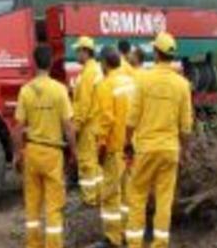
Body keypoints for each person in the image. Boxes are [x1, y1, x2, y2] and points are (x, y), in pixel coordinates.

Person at [124, 32, 193, 248]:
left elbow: (132, 119)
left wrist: (127, 143)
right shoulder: (182, 85)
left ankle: (134, 244)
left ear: (155, 53)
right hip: (170, 150)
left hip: (145, 149)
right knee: (164, 199)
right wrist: (185, 151)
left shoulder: (143, 79)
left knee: (137, 196)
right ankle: (160, 244)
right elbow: (186, 126)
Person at [14, 45, 77, 248]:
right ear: (50, 63)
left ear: (34, 63)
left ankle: (33, 244)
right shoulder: (59, 90)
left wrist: (17, 154)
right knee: (53, 206)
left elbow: (18, 128)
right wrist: (74, 153)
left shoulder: (25, 91)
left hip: (32, 152)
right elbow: (69, 127)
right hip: (53, 154)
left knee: (32, 206)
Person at [93, 46, 136, 248]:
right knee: (128, 192)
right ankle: (128, 233)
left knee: (110, 194)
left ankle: (113, 239)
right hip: (131, 146)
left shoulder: (105, 85)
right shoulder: (130, 80)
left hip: (115, 148)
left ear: (103, 63)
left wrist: (100, 147)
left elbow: (107, 119)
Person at [71, 35, 104, 206]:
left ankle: (89, 199)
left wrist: (75, 126)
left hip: (88, 125)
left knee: (86, 162)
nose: (76, 54)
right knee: (95, 162)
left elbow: (83, 103)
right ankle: (99, 194)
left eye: (78, 50)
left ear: (85, 51)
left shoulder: (87, 74)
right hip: (97, 123)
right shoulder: (96, 69)